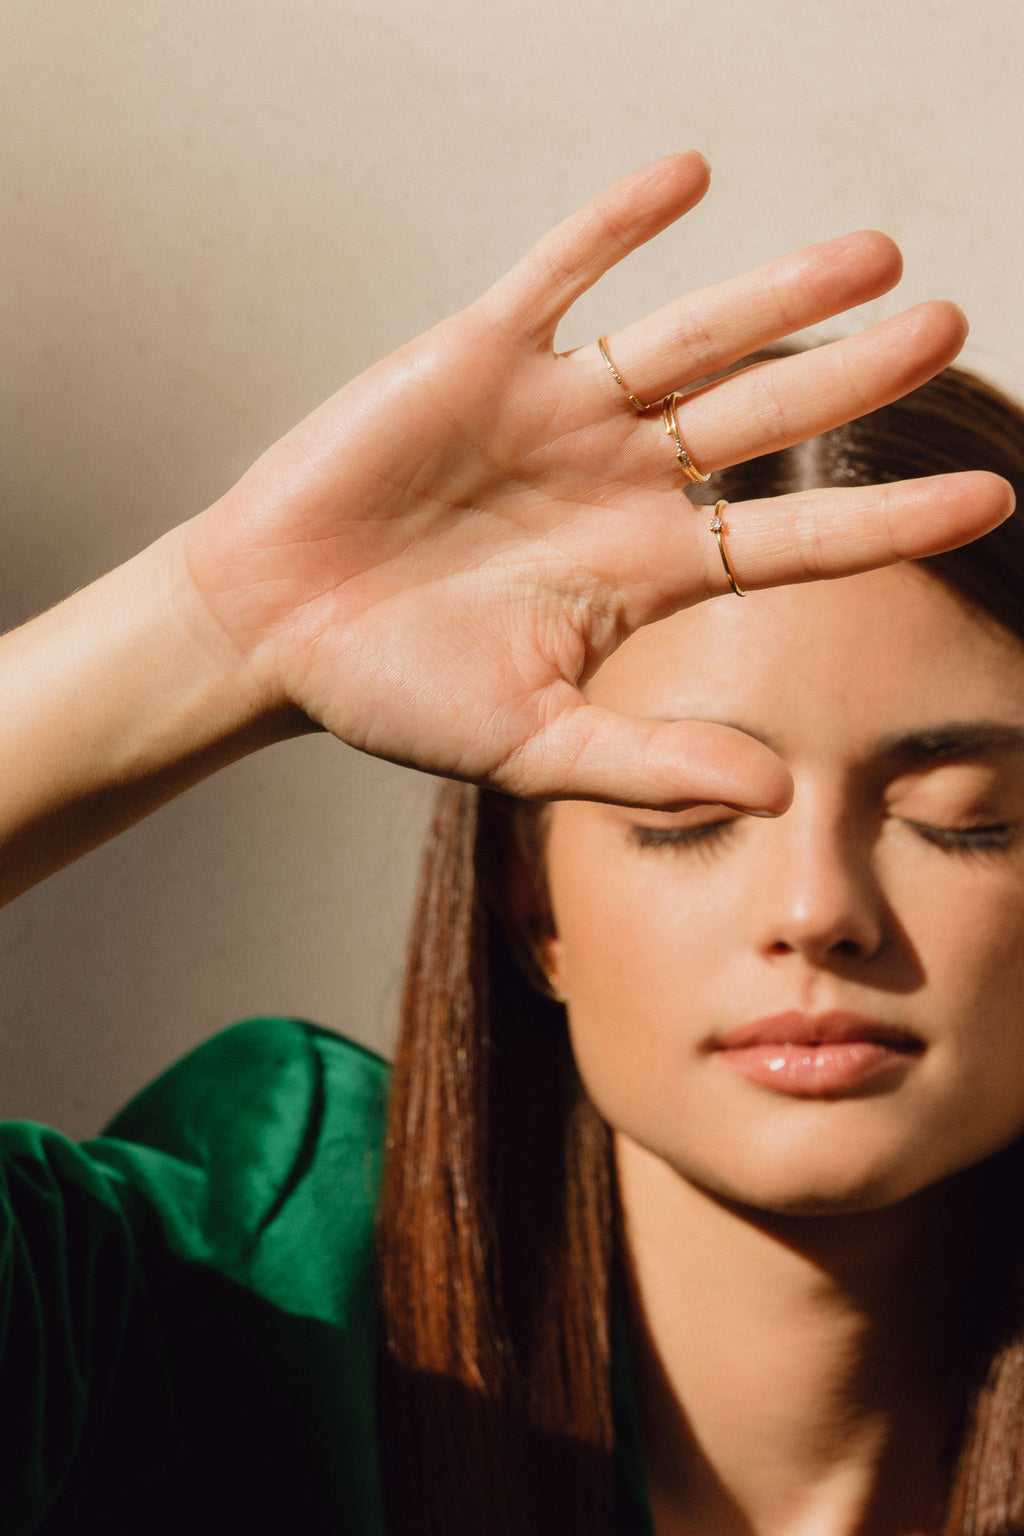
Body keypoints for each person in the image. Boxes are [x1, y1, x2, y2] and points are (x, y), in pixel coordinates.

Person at [0, 150, 1018, 1535]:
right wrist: (205, 632)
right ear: (529, 902)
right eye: (687, 814)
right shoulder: (240, 1287)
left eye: (970, 822)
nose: (818, 909)